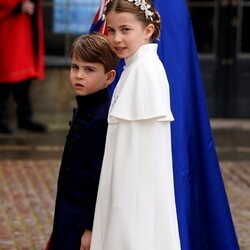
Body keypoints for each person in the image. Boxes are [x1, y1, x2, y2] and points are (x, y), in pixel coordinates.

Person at [90, 0, 181, 249]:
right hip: (125, 183)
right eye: (111, 30)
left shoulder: (145, 71)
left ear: (148, 30)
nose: (117, 38)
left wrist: (121, 202)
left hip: (133, 190)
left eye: (125, 30)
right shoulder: (133, 67)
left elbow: (141, 149)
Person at [46, 33, 118, 250]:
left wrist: (89, 228)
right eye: (75, 67)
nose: (79, 75)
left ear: (109, 77)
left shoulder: (101, 119)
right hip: (67, 210)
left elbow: (98, 178)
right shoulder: (84, 108)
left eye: (89, 70)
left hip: (81, 219)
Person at [0, 0, 46, 133]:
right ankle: (4, 118)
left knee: (23, 75)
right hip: (10, 26)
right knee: (6, 74)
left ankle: (24, 117)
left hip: (23, 25)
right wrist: (17, 6)